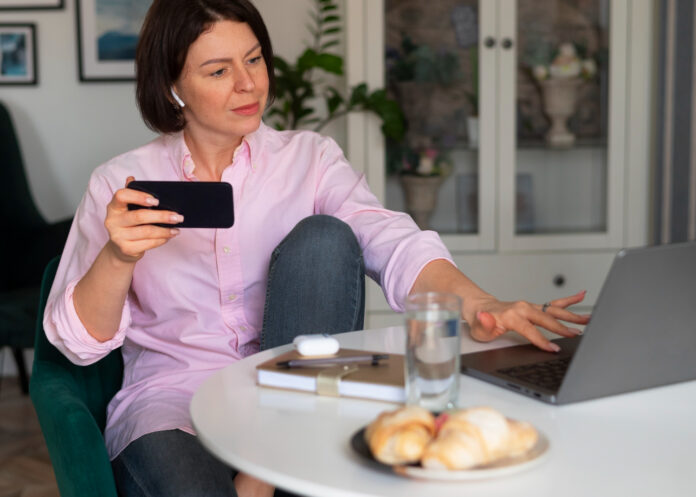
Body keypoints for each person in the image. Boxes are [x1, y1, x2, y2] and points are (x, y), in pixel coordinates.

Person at [43, 0, 589, 496]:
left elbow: (391, 239)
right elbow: (76, 345)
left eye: (254, 60)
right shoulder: (121, 182)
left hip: (294, 393)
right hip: (172, 403)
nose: (247, 84)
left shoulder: (310, 159)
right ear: (172, 88)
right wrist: (119, 258)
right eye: (218, 71)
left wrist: (482, 302)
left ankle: (262, 470)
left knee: (327, 237)